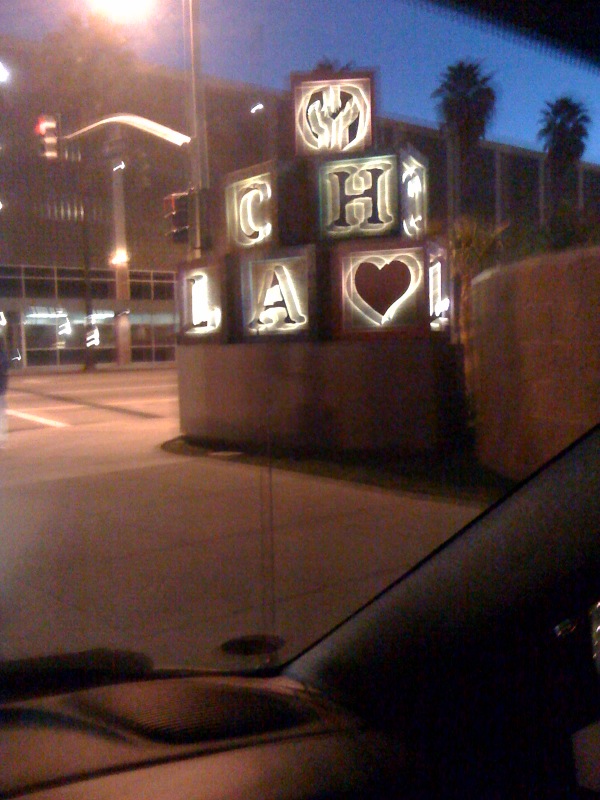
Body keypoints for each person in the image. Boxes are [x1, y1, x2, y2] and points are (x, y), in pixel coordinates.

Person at [0, 337, 9, 447]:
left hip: (0, 390)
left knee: (1, 416)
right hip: (1, 389)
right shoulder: (3, 356)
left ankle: (2, 440)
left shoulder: (2, 357)